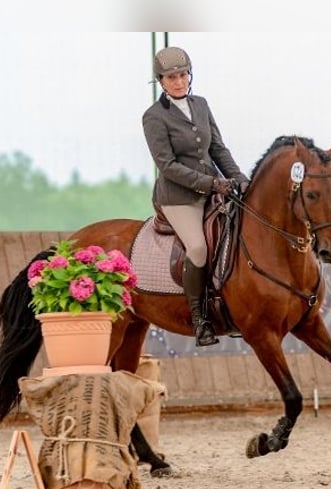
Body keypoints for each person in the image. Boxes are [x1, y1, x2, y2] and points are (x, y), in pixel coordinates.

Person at [142, 46, 249, 347]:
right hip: (179, 197)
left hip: (216, 186)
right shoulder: (153, 117)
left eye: (183, 75)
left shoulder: (201, 104)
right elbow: (167, 166)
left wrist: (240, 179)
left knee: (240, 233)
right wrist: (213, 183)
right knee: (199, 249)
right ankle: (200, 318)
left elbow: (218, 149)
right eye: (172, 77)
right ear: (161, 81)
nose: (179, 82)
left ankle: (235, 308)